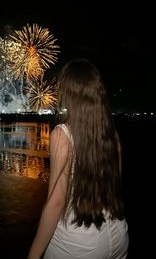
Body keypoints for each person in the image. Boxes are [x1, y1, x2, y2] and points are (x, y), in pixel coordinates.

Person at [27, 58, 129, 259]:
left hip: (79, 242)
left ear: (69, 94)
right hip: (118, 233)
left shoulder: (62, 134)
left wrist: (33, 255)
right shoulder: (112, 133)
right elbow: (115, 185)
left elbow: (56, 202)